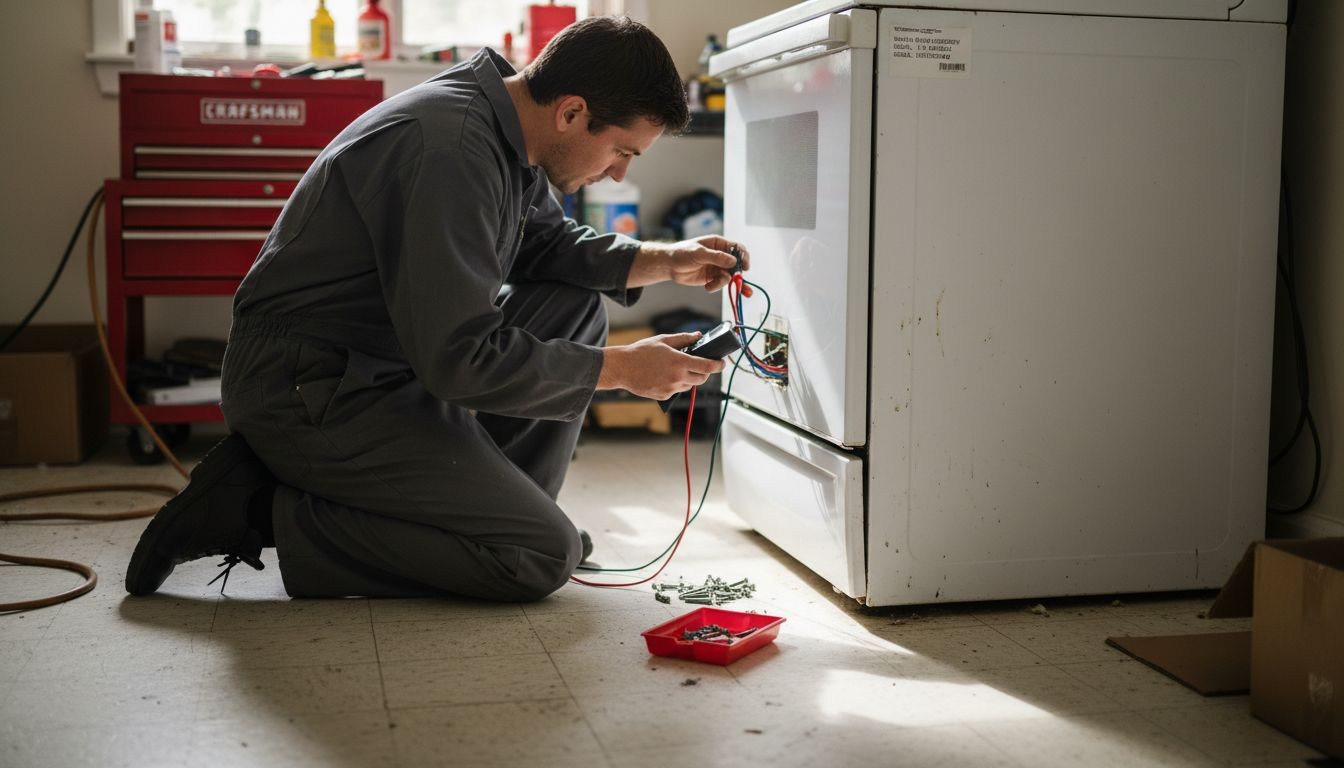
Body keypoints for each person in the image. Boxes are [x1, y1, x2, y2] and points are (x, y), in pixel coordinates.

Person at [125, 16, 750, 601]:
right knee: (537, 557)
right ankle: (255, 511)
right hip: (309, 389)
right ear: (572, 112)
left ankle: (501, 516)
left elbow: (548, 248)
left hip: (383, 366)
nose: (617, 174)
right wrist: (620, 369)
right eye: (623, 151)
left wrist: (666, 259)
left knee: (573, 304)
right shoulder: (451, 152)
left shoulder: (509, 126)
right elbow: (460, 358)